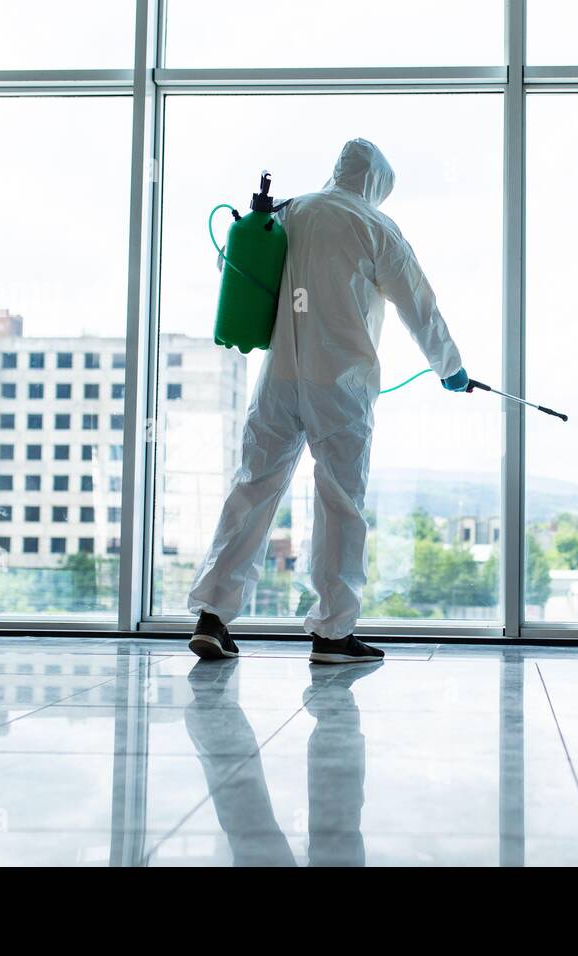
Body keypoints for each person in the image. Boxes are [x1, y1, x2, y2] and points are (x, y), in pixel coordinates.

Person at [188, 138, 469, 664]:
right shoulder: (375, 226)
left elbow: (246, 275)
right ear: (376, 182)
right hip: (338, 385)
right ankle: (332, 634)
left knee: (252, 490)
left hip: (279, 379)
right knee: (340, 502)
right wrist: (450, 367)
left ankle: (213, 616)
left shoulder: (290, 210)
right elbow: (420, 306)